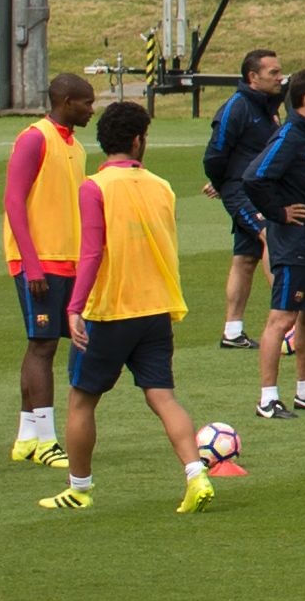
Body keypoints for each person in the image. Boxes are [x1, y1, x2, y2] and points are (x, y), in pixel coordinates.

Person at [48, 98, 218, 515]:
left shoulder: (95, 187)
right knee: (162, 396)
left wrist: (74, 307)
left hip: (109, 310)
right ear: (139, 140)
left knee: (81, 401)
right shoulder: (162, 186)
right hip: (156, 308)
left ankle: (79, 488)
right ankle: (196, 472)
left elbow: (92, 252)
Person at [0, 74, 97, 465]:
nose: (92, 109)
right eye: (87, 102)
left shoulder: (74, 145)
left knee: (44, 345)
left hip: (67, 258)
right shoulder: (35, 138)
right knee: (42, 345)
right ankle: (46, 439)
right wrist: (31, 263)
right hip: (40, 261)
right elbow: (13, 200)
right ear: (67, 100)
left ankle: (27, 436)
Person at [244, 72, 305, 418]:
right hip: (296, 244)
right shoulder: (289, 136)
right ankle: (267, 398)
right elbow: (254, 177)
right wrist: (278, 213)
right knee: (282, 317)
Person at [200, 49, 286, 350]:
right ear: (253, 77)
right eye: (273, 73)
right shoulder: (236, 108)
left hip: (261, 189)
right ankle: (287, 326)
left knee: (245, 257)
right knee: (271, 238)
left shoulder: (266, 105)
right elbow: (215, 153)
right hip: (243, 191)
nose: (280, 77)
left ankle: (232, 331)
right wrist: (224, 182)